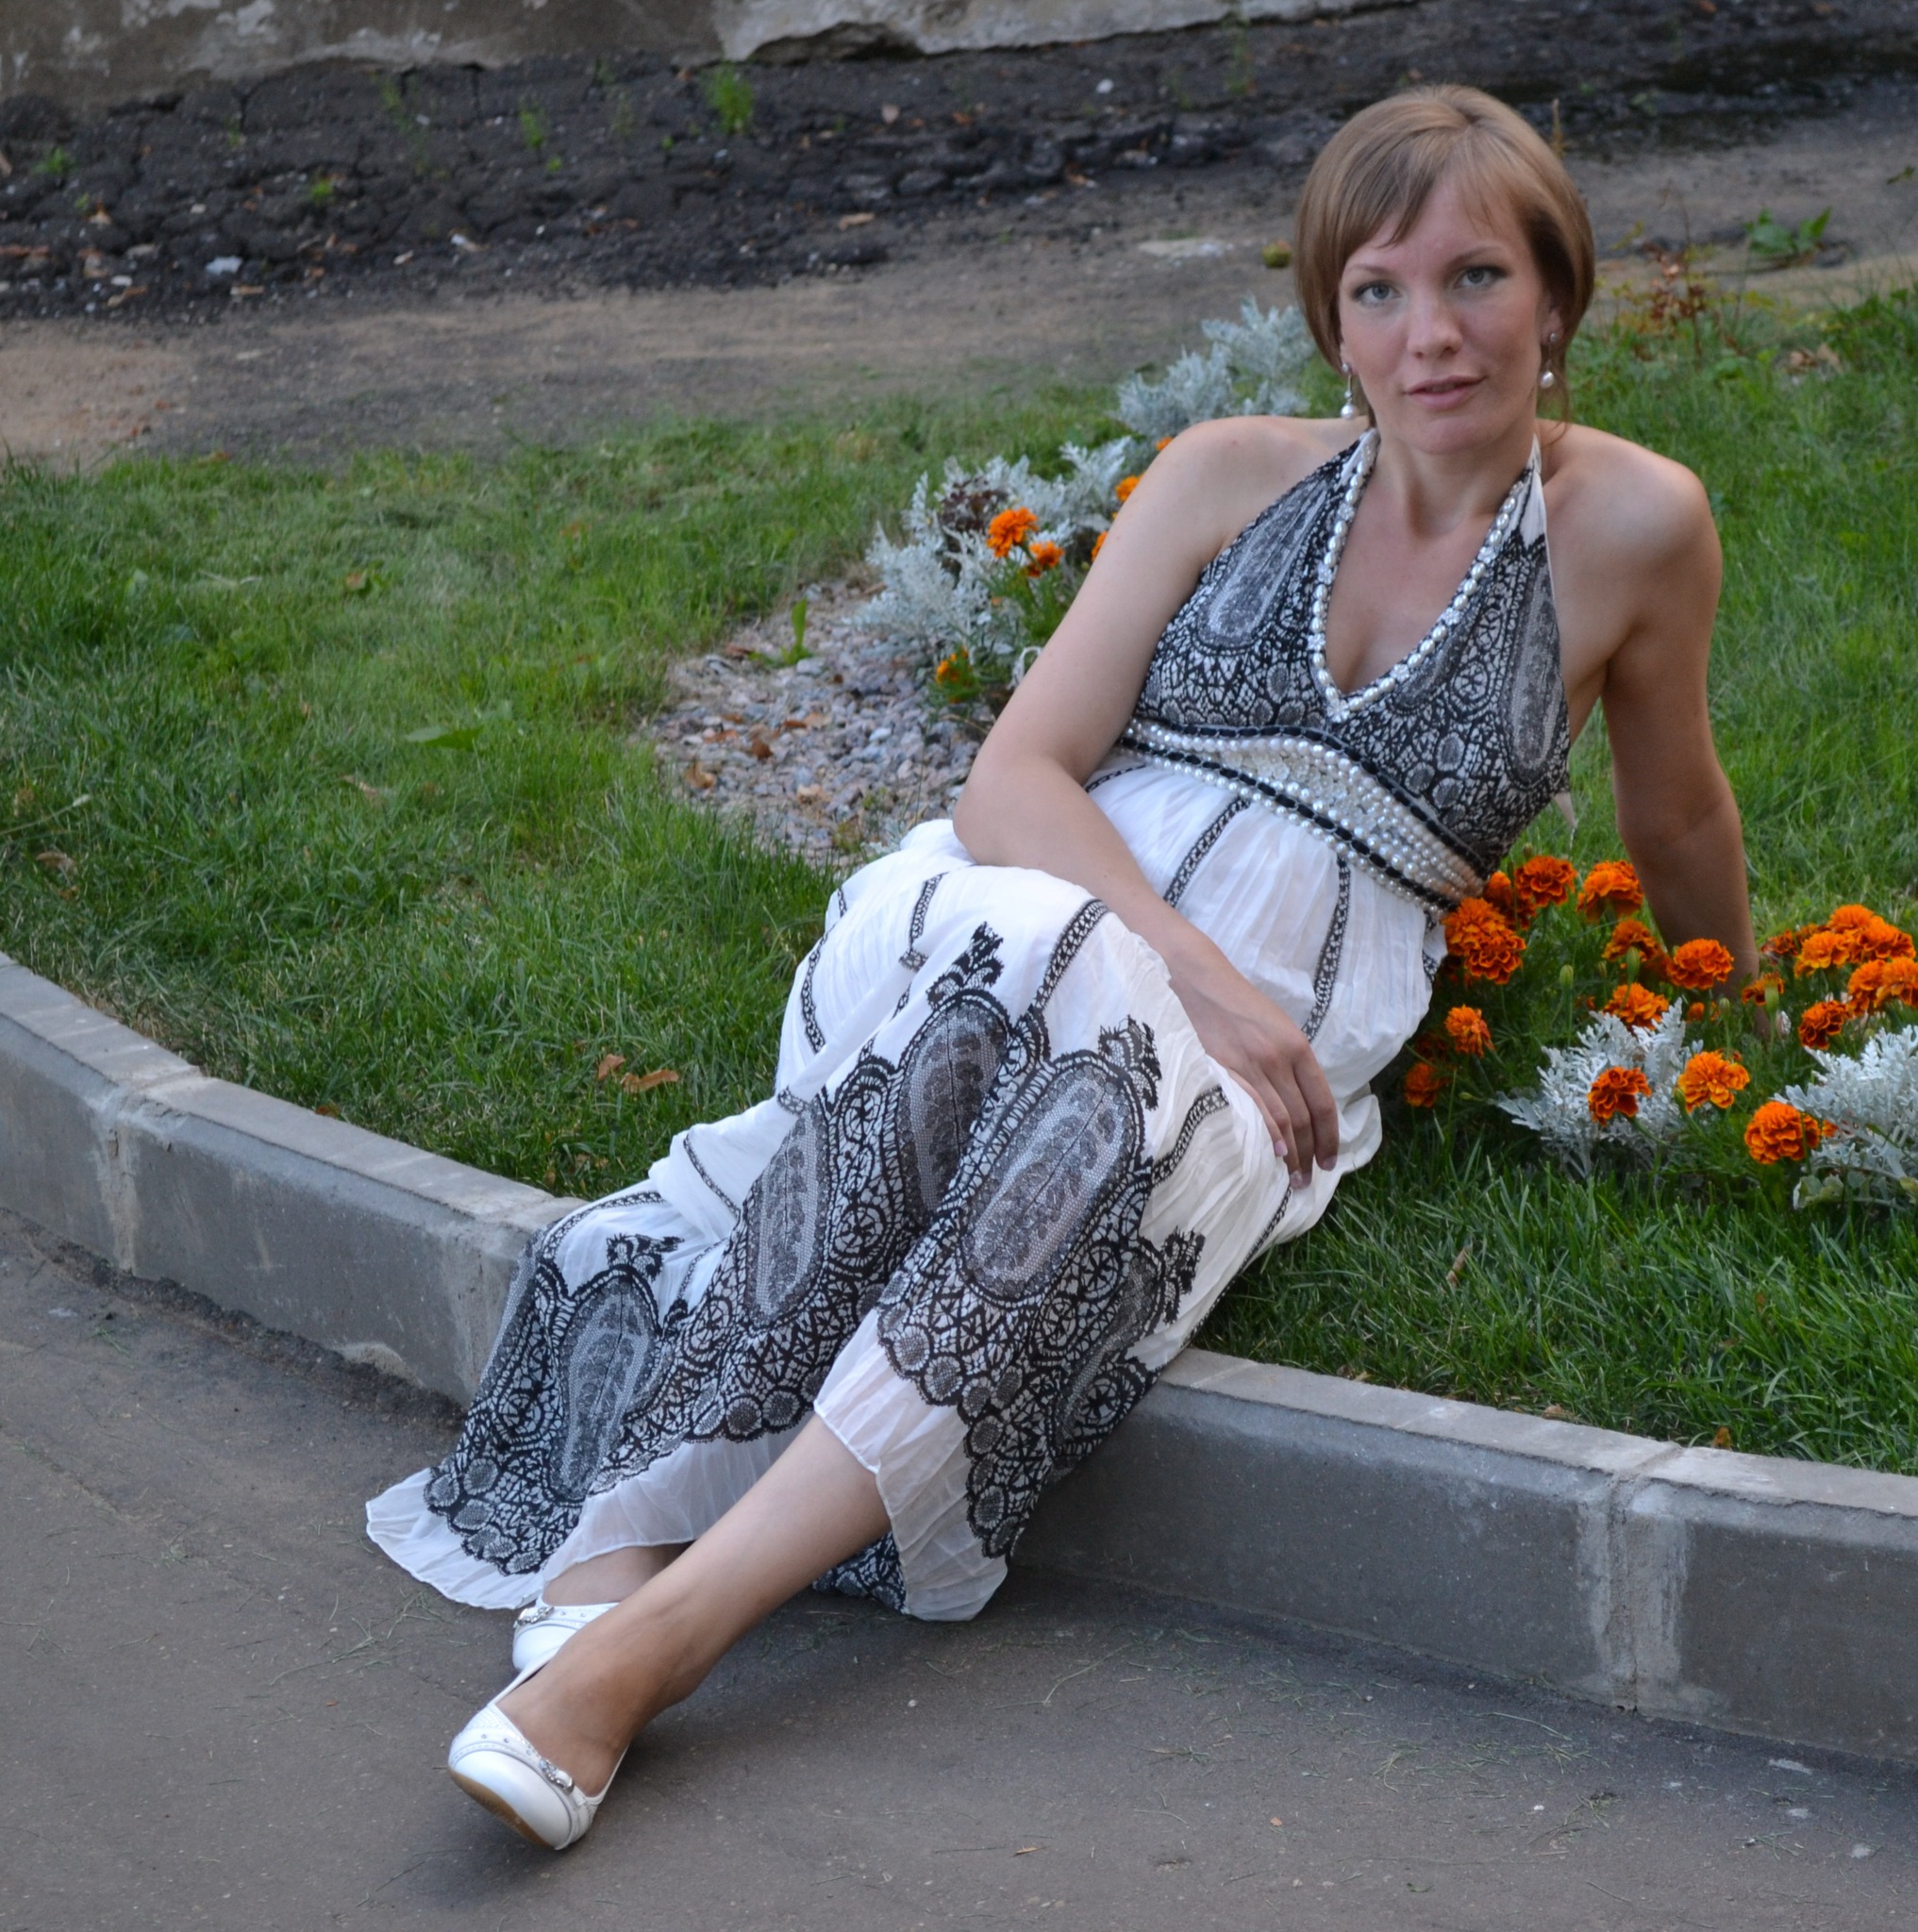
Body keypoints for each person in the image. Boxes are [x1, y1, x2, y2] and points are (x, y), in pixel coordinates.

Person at [367, 83, 1759, 1849]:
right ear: (1331, 320)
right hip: (1026, 918)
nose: (1432, 334)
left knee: (1114, 1161)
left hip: (1269, 1047)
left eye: (1476, 277)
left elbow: (1677, 809)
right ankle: (643, 1589)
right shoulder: (1227, 475)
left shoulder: (1631, 526)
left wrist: (1742, 1026)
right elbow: (1016, 775)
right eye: (1380, 290)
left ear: (1556, 296)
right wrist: (1190, 972)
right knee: (1051, 974)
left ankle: (646, 1629)